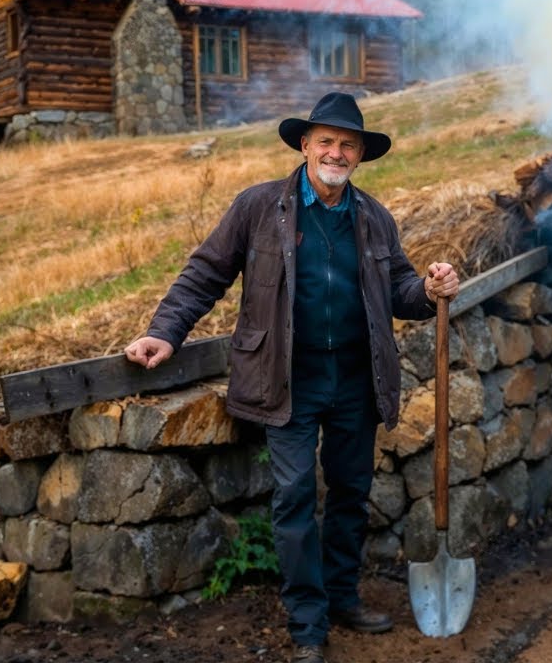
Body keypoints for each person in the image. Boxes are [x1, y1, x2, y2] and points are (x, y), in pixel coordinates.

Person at [125, 92, 459, 663]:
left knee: (352, 491)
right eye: (326, 141)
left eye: (347, 144)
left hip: (356, 374)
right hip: (285, 376)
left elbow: (400, 289)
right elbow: (205, 274)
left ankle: (343, 597)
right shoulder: (259, 208)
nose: (336, 151)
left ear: (360, 155)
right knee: (295, 495)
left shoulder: (374, 217)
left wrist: (429, 290)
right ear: (304, 145)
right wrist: (166, 330)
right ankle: (308, 623)